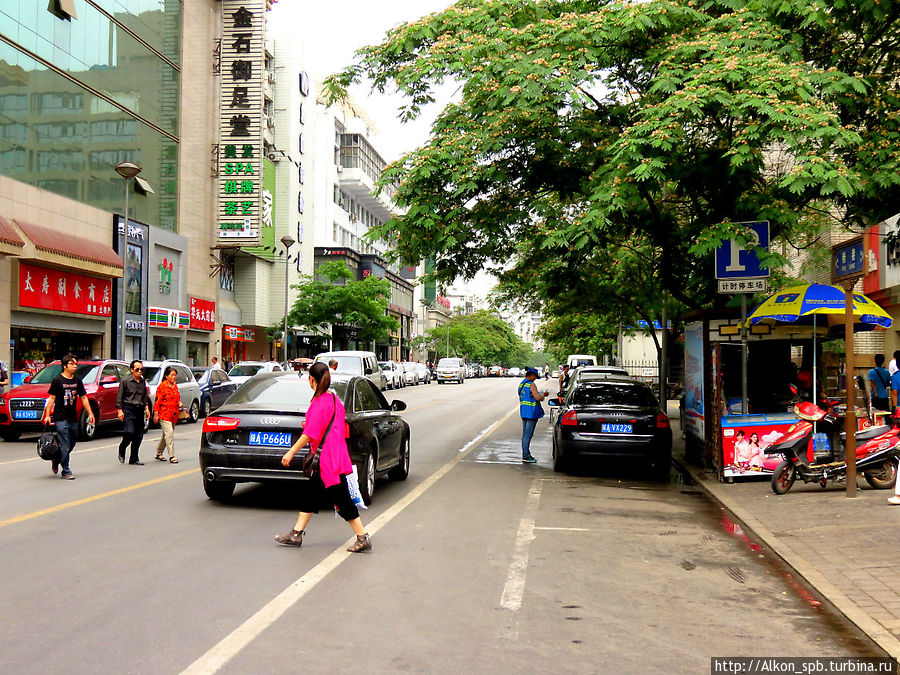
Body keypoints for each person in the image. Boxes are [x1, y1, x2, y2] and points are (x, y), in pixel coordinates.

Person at [276, 362, 371, 552]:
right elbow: (332, 426)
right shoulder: (335, 400)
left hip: (327, 460)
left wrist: (291, 452)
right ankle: (296, 534)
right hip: (336, 455)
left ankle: (362, 537)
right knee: (311, 494)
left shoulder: (318, 404)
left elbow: (310, 434)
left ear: (312, 379)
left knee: (342, 499)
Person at [40, 354, 93, 479]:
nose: (75, 366)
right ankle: (66, 471)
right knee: (64, 443)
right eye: (72, 363)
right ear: (64, 366)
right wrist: (47, 415)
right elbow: (51, 398)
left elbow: (84, 397)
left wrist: (90, 413)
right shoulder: (57, 380)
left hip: (72, 418)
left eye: (76, 363)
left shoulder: (77, 381)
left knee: (71, 443)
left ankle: (57, 458)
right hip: (60, 418)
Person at [116, 360, 151, 465]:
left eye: (142, 369)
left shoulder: (142, 381)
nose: (140, 372)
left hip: (139, 409)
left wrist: (146, 408)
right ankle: (122, 448)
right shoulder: (125, 381)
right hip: (129, 408)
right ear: (131, 370)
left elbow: (144, 396)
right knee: (129, 432)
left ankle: (134, 458)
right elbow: (119, 397)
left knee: (139, 435)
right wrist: (119, 410)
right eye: (137, 369)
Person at [519, 366, 549, 463]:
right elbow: (537, 397)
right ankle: (526, 455)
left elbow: (526, 396)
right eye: (535, 376)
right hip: (532, 412)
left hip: (524, 411)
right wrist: (543, 395)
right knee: (528, 435)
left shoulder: (522, 384)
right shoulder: (531, 384)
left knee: (525, 435)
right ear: (531, 375)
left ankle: (525, 454)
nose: (535, 378)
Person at [153, 366, 180, 463]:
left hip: (173, 414)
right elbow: (157, 402)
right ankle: (172, 456)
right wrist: (156, 414)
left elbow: (176, 398)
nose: (174, 377)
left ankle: (159, 453)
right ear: (166, 376)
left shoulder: (175, 386)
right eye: (172, 375)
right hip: (164, 414)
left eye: (175, 375)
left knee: (166, 435)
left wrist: (179, 403)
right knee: (170, 434)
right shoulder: (162, 387)